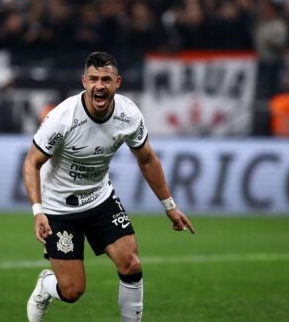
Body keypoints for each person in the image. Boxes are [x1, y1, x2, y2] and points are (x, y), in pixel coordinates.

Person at [23, 51, 195, 322]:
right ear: (84, 82)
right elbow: (32, 162)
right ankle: (46, 285)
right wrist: (38, 211)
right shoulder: (63, 118)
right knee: (72, 290)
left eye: (106, 79)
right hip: (59, 208)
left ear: (118, 83)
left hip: (99, 198)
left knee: (131, 263)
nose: (99, 85)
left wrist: (169, 206)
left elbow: (147, 158)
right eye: (93, 79)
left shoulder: (128, 115)